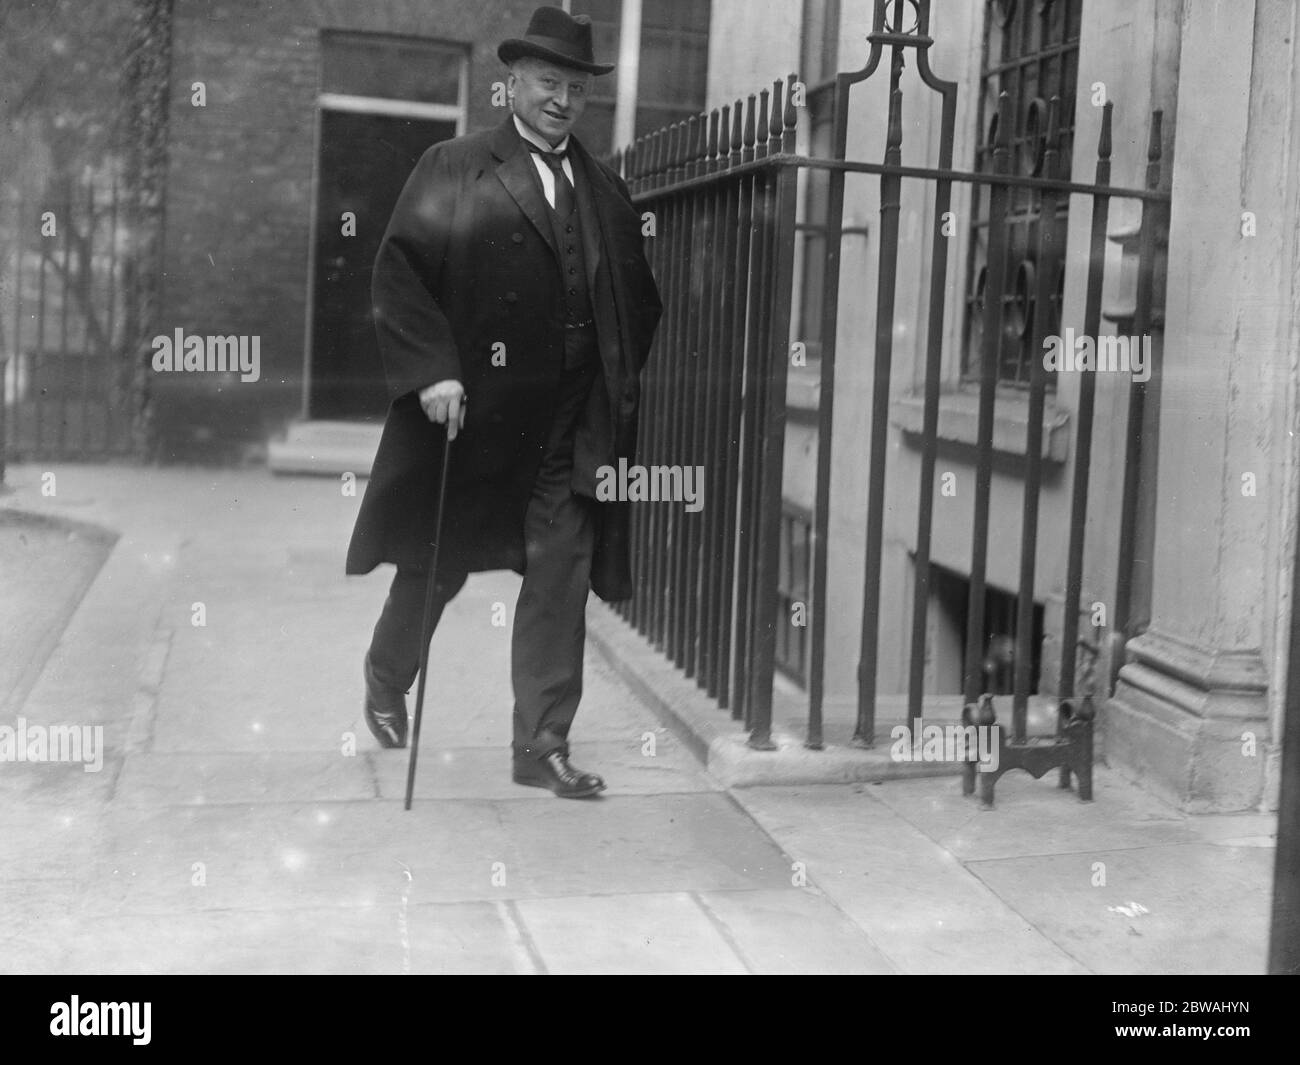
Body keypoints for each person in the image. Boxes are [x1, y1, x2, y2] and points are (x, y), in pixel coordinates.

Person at [345, 6, 662, 799]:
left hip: (567, 426)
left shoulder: (605, 190)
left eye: (576, 88)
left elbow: (638, 299)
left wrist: (614, 377)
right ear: (512, 83)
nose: (562, 100)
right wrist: (433, 370)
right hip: (474, 418)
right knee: (437, 565)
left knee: (561, 572)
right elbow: (400, 271)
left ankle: (542, 744)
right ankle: (387, 676)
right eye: (548, 82)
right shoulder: (455, 165)